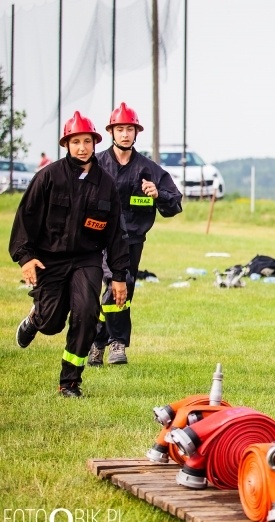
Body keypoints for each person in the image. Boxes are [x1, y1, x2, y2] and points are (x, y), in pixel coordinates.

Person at [9, 111, 129, 398]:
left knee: (87, 313)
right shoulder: (48, 177)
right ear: (66, 144)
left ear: (95, 142)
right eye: (76, 141)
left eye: (87, 141)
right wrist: (25, 257)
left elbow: (115, 234)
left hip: (87, 259)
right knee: (51, 323)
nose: (82, 147)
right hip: (50, 258)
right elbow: (25, 219)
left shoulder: (106, 184)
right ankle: (36, 317)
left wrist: (119, 277)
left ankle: (70, 381)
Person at [87, 102, 183, 366]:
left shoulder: (148, 169)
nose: (125, 134)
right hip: (101, 240)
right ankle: (116, 344)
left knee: (122, 290)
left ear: (136, 133)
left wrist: (158, 194)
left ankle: (97, 343)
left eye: (130, 129)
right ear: (111, 132)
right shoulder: (97, 164)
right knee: (116, 284)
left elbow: (175, 202)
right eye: (120, 129)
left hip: (133, 242)